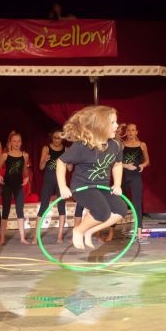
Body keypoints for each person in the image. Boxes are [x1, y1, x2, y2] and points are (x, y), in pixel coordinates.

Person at [57, 105, 127, 250]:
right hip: (83, 187)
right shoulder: (83, 146)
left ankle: (89, 231)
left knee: (121, 209)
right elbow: (61, 162)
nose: (117, 125)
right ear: (101, 126)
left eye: (116, 122)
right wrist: (63, 186)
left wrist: (117, 184)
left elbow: (117, 164)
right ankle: (78, 230)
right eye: (112, 123)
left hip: (102, 187)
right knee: (102, 212)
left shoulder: (116, 145)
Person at [0, 131, 31, 245]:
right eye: (14, 141)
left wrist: (27, 177)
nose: (16, 143)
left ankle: (22, 238)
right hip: (7, 185)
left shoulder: (25, 155)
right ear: (10, 142)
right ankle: (2, 238)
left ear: (21, 142)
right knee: (5, 211)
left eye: (18, 141)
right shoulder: (5, 155)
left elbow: (24, 170)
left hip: (18, 186)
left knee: (20, 211)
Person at [37, 130, 69, 242]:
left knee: (61, 207)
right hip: (48, 180)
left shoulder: (66, 150)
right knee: (43, 206)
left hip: (61, 182)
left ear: (62, 139)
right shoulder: (46, 148)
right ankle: (36, 237)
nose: (56, 140)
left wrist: (68, 161)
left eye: (59, 138)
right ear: (52, 138)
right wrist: (45, 160)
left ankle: (59, 236)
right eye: (55, 137)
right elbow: (41, 167)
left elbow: (70, 168)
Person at [121, 123, 150, 237]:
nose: (130, 132)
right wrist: (126, 166)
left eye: (133, 130)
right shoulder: (121, 145)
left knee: (137, 203)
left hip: (135, 177)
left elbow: (147, 161)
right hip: (122, 176)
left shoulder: (142, 145)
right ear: (126, 132)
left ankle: (139, 231)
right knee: (117, 202)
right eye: (128, 130)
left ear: (136, 132)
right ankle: (111, 231)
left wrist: (143, 165)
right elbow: (115, 161)